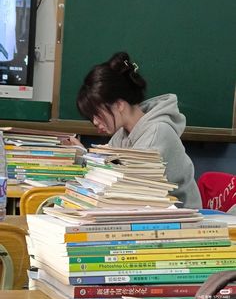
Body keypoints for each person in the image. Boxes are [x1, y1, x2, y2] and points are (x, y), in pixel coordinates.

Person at [75, 51, 202, 208]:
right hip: (148, 213)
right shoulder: (122, 135)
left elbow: (128, 186)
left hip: (181, 220)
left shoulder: (157, 133)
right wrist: (82, 155)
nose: (94, 121)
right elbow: (108, 171)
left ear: (119, 104)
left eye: (97, 113)